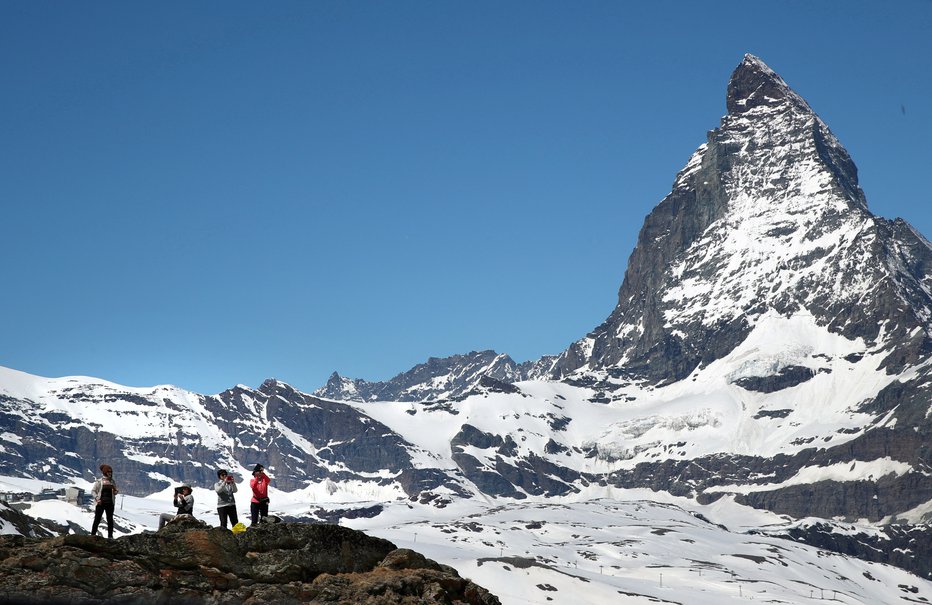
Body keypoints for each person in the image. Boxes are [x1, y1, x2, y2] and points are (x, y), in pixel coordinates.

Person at [91, 464, 118, 539]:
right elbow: (93, 491)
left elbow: (114, 492)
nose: (110, 473)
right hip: (101, 503)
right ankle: (93, 534)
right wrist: (97, 499)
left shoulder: (112, 481)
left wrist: (115, 492)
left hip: (110, 503)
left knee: (110, 520)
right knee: (97, 519)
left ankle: (110, 536)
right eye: (108, 471)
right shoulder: (99, 481)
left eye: (111, 471)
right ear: (105, 472)